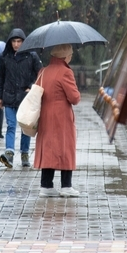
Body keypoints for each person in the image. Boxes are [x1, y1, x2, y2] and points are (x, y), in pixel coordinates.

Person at [33, 44, 81, 197]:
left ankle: (46, 186)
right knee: (65, 147)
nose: (71, 56)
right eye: (70, 54)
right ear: (65, 56)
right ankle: (66, 186)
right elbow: (74, 98)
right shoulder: (66, 72)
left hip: (46, 116)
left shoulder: (43, 71)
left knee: (48, 148)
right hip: (62, 118)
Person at [0, 28, 43, 168]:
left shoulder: (31, 56)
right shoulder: (4, 57)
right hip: (9, 96)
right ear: (10, 42)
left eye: (19, 41)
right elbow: (0, 77)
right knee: (11, 125)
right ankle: (9, 153)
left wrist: (31, 85)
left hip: (25, 97)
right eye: (14, 41)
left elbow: (40, 73)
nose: (16, 44)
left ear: (24, 41)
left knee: (25, 126)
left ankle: (24, 153)